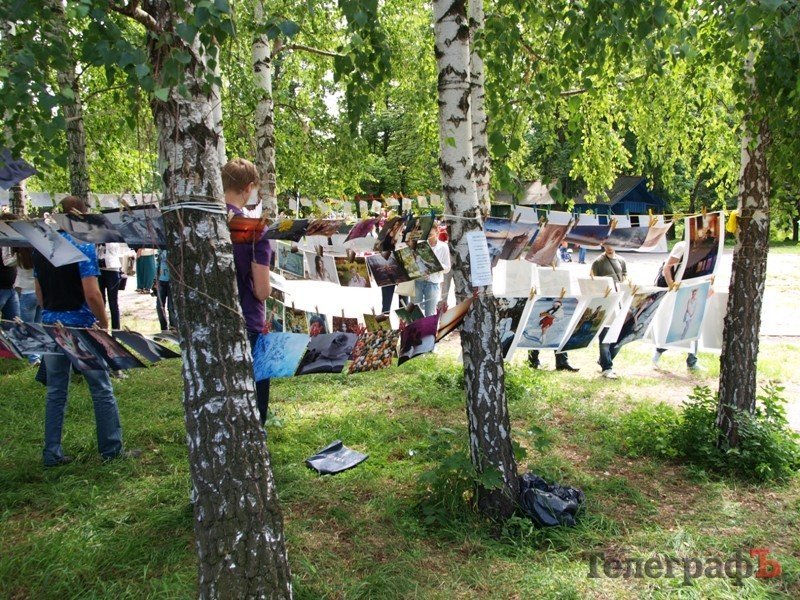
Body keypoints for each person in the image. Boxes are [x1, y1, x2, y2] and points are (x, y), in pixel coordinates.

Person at [34, 196, 134, 467]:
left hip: (51, 323)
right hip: (80, 326)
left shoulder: (42, 247)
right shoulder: (83, 246)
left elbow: (39, 294)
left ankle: (51, 452)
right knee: (101, 388)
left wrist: (54, 312)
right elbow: (92, 294)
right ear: (84, 216)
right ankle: (111, 450)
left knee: (56, 390)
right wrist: (103, 324)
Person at [223, 158, 272, 425]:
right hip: (248, 321)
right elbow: (262, 291)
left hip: (212, 322)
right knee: (254, 401)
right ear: (249, 187)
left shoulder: (205, 226)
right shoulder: (255, 231)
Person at [652, 240, 701, 372]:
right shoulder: (682, 246)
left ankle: (692, 361)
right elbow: (667, 268)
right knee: (673, 324)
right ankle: (657, 353)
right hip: (679, 290)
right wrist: (672, 286)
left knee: (695, 325)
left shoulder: (706, 247)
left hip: (695, 289)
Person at [590, 243, 627, 379]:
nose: (609, 247)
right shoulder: (598, 262)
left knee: (620, 335)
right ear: (602, 244)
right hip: (606, 302)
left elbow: (625, 278)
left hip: (619, 301)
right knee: (605, 335)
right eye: (606, 244)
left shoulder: (621, 260)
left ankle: (604, 359)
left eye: (612, 243)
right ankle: (607, 367)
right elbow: (592, 282)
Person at [414, 224, 451, 317]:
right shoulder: (420, 245)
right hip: (419, 281)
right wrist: (422, 271)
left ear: (437, 232)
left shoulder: (443, 247)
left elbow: (447, 268)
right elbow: (417, 262)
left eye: (430, 234)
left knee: (430, 313)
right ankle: (416, 330)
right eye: (427, 234)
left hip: (433, 283)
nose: (428, 236)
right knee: (415, 311)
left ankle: (428, 331)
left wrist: (435, 265)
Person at [14, 248, 42, 365]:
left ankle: (34, 358)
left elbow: (6, 262)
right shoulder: (38, 255)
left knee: (27, 327)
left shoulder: (19, 257)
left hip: (26, 293)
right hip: (39, 293)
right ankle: (40, 354)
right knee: (38, 327)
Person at [97, 242, 124, 330]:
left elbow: (114, 249)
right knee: (100, 301)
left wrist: (104, 242)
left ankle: (116, 330)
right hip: (99, 270)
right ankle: (101, 328)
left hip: (112, 270)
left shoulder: (113, 238)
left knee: (113, 302)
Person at [0, 215, 20, 320]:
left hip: (10, 288)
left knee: (14, 322)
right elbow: (7, 262)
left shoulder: (10, 241)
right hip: (3, 287)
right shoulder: (4, 240)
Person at [155, 249, 175, 331]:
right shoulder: (160, 250)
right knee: (159, 307)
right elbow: (157, 264)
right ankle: (163, 329)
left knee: (171, 308)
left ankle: (173, 329)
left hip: (172, 282)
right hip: (161, 281)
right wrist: (155, 280)